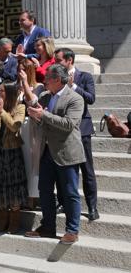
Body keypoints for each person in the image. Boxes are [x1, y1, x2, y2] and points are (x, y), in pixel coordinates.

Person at [25, 64, 86, 245]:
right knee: (45, 191)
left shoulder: (75, 98)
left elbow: (69, 124)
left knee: (69, 192)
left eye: (47, 79)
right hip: (46, 152)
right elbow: (39, 115)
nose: (44, 82)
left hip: (67, 152)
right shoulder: (45, 96)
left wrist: (42, 115)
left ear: (57, 80)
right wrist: (36, 115)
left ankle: (72, 230)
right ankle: (48, 227)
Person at [55, 48, 99, 221]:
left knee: (87, 170)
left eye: (59, 60)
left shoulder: (85, 77)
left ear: (69, 60)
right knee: (62, 168)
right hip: (62, 129)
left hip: (82, 129)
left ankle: (92, 206)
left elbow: (91, 98)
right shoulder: (57, 77)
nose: (56, 63)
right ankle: (62, 202)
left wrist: (73, 86)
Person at [0, 80, 28, 234]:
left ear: (8, 93)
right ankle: (2, 218)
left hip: (12, 152)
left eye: (1, 91)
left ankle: (14, 220)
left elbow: (15, 126)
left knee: (14, 188)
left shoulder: (20, 107)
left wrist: (2, 113)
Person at [18, 59, 44, 207]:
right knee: (21, 162)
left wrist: (25, 83)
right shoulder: (16, 87)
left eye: (23, 69)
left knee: (32, 162)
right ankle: (22, 195)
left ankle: (32, 198)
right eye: (18, 70)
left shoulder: (38, 87)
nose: (20, 73)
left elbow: (31, 101)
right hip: (18, 127)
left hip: (31, 127)